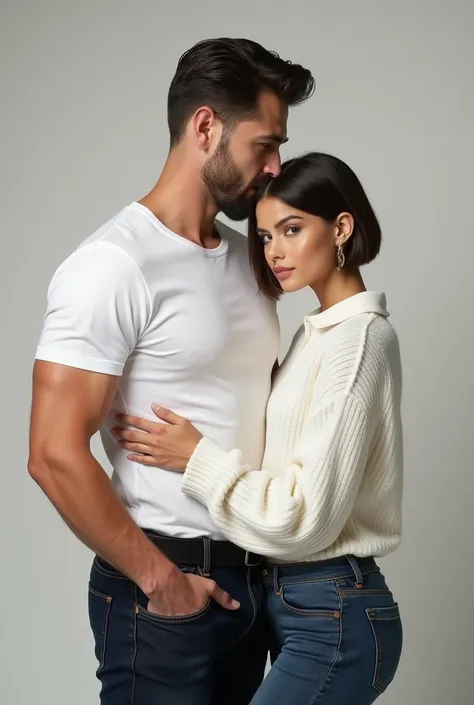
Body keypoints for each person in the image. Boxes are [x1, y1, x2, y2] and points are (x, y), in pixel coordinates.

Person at [28, 38, 314, 705]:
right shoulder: (112, 265)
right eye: (264, 145)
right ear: (206, 127)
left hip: (254, 588)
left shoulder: (253, 262)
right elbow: (52, 453)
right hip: (165, 593)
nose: (275, 167)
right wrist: (164, 583)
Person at [112, 152, 404, 704]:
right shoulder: (313, 336)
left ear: (341, 227)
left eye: (292, 230)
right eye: (266, 236)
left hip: (334, 610)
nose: (274, 253)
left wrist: (196, 458)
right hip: (294, 602)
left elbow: (305, 517)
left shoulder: (359, 340)